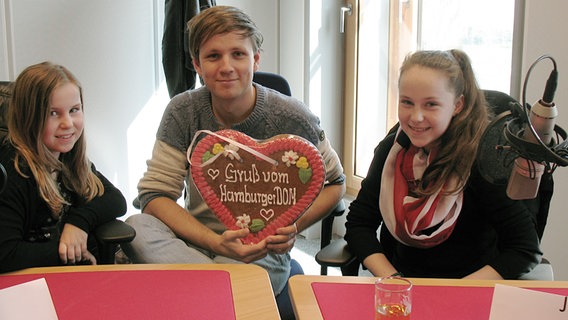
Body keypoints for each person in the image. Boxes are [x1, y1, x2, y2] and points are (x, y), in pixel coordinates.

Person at [121, 5, 345, 318]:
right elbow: (154, 195)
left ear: (255, 58)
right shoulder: (182, 112)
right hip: (195, 241)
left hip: (258, 249)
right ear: (197, 64)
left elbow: (335, 182)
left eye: (238, 54)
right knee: (136, 227)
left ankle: (208, 292)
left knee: (222, 288)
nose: (226, 66)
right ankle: (224, 291)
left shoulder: (293, 117)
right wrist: (215, 242)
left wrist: (294, 227)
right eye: (213, 56)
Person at [345, 50, 541, 280]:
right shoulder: (393, 150)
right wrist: (394, 281)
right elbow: (359, 223)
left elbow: (524, 249)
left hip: (468, 289)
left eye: (431, 104)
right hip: (401, 284)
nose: (416, 117)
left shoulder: (482, 160)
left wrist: (453, 295)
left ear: (457, 105)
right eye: (407, 102)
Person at [0, 62, 127, 273]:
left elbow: (116, 200)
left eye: (74, 110)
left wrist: (78, 223)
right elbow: (6, 255)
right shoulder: (14, 171)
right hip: (27, 284)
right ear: (27, 117)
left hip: (67, 277)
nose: (67, 122)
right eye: (53, 113)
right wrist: (70, 253)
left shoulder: (68, 159)